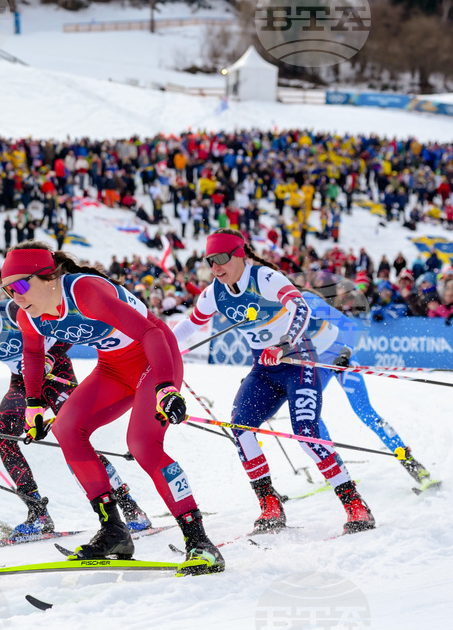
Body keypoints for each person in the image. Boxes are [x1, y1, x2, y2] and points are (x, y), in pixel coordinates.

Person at [0, 241, 222, 574]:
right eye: (7, 290)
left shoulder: (85, 292)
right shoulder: (28, 315)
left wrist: (164, 386)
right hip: (114, 368)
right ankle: (114, 531)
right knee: (66, 429)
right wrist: (33, 404)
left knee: (142, 445)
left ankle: (200, 542)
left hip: (155, 357)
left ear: (47, 277)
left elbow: (150, 331)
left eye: (19, 285)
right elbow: (33, 356)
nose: (15, 296)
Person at [172, 228, 375, 537]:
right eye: (210, 261)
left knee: (306, 434)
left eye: (221, 259)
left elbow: (300, 308)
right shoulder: (215, 292)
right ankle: (270, 504)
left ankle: (354, 504)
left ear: (239, 255)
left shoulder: (265, 278)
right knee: (241, 427)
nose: (215, 268)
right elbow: (189, 326)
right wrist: (155, 346)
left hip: (297, 361)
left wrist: (282, 345)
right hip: (264, 370)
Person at [0, 273, 152, 538]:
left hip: (54, 375)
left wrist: (48, 359)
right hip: (22, 384)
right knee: (4, 437)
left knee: (75, 439)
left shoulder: (15, 312)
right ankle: (38, 514)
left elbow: (64, 331)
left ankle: (130, 508)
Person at [302, 289, 439, 489]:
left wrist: (345, 353)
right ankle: (333, 468)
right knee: (310, 414)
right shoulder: (274, 313)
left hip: (342, 358)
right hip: (320, 365)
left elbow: (348, 326)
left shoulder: (308, 300)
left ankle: (411, 463)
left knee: (365, 412)